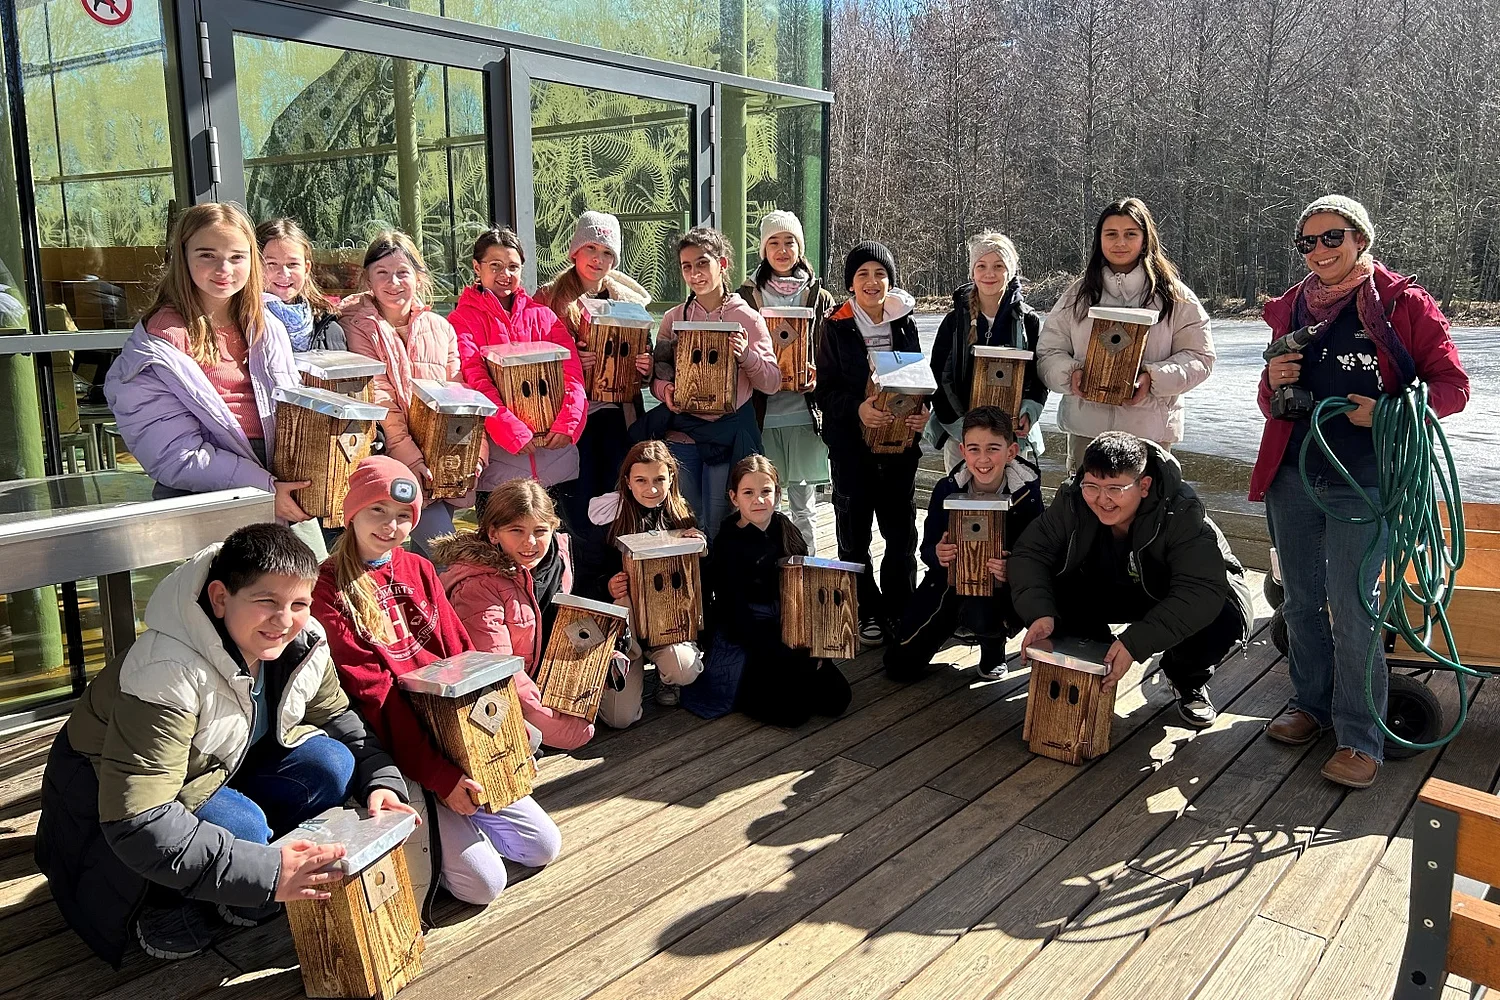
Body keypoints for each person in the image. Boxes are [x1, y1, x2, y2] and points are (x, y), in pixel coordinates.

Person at [35, 524, 412, 965]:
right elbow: (135, 818)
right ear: (219, 598)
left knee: (333, 762)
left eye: (299, 604)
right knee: (245, 827)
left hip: (217, 765)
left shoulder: (304, 641)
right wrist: (268, 871)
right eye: (266, 601)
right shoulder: (166, 671)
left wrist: (380, 779)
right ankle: (163, 901)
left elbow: (337, 716)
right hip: (111, 799)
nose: (285, 620)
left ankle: (235, 884)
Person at [1253, 195, 1470, 789]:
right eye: (1309, 241)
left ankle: (1359, 736)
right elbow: (1269, 402)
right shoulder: (1293, 308)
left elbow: (1452, 387)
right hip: (1294, 476)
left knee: (1355, 610)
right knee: (1298, 601)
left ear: (1360, 238)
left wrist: (1390, 411)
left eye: (1333, 237)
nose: (1320, 250)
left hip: (1367, 482)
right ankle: (1310, 705)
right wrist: (1273, 384)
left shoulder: (1402, 304)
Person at [312, 457, 562, 907]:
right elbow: (376, 698)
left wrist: (502, 734)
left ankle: (460, 814)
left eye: (404, 516)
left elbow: (465, 657)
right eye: (378, 512)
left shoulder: (420, 568)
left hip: (454, 735)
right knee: (483, 886)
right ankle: (421, 822)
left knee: (542, 846)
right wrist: (441, 777)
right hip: (397, 749)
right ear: (350, 513)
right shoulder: (327, 589)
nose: (391, 527)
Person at [103, 202, 325, 557]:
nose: (224, 269)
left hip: (280, 485)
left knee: (316, 593)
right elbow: (175, 455)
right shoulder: (159, 344)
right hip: (207, 496)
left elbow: (290, 409)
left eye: (237, 257)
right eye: (207, 255)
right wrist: (266, 487)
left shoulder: (266, 328)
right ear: (183, 256)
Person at [1010, 432, 1254, 729]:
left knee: (1223, 617)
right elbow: (1030, 553)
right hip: (1107, 586)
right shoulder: (1073, 499)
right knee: (1043, 585)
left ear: (1144, 485)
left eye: (1115, 488)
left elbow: (1201, 590)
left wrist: (1134, 644)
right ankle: (1091, 665)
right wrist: (1040, 614)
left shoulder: (1182, 511)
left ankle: (1186, 680)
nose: (1102, 500)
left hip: (1170, 592)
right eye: (1092, 486)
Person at [1035, 197, 1215, 472]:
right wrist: (1069, 375)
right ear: (1100, 240)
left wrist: (1153, 378)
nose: (1120, 242)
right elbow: (1049, 351)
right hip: (1087, 433)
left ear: (1146, 239)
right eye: (1111, 234)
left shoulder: (1174, 297)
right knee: (1086, 509)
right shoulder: (1078, 295)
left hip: (1150, 434)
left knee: (1147, 512)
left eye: (1130, 234)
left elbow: (1200, 357)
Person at [340, 231, 485, 558]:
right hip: (396, 461)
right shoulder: (359, 327)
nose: (394, 282)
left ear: (419, 277)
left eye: (402, 272)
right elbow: (380, 397)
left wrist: (478, 452)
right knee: (450, 557)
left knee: (427, 561)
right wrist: (411, 458)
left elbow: (460, 395)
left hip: (444, 464)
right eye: (383, 274)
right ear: (368, 279)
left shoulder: (440, 327)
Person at [814, 240, 928, 647]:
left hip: (899, 448)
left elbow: (917, 384)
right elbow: (823, 392)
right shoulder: (835, 325)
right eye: (862, 274)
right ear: (850, 284)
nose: (872, 281)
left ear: (890, 281)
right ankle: (864, 610)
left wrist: (922, 414)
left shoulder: (905, 322)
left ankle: (900, 607)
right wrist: (857, 410)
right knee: (854, 533)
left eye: (880, 273)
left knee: (900, 535)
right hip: (851, 448)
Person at [432, 478, 600, 751]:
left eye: (540, 530)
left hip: (548, 678)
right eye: (516, 530)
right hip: (501, 693)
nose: (530, 542)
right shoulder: (478, 585)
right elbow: (497, 667)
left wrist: (601, 660)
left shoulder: (560, 560)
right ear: (493, 533)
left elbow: (572, 623)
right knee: (576, 733)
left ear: (553, 528)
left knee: (619, 711)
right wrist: (546, 708)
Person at [884, 407, 1044, 683]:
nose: (983, 459)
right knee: (898, 666)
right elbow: (928, 546)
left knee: (980, 609)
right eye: (974, 449)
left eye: (993, 448)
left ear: (1011, 451)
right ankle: (953, 622)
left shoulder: (1027, 494)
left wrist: (1012, 567)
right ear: (962, 450)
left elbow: (1038, 553)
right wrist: (937, 553)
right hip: (949, 583)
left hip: (1001, 591)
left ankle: (992, 646)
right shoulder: (947, 489)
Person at [697, 455, 852, 725]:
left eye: (765, 491)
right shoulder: (727, 542)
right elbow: (734, 611)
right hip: (748, 635)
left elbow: (807, 589)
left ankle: (797, 676)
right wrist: (778, 650)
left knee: (838, 698)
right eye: (748, 493)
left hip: (790, 623)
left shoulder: (787, 530)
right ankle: (753, 691)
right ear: (734, 498)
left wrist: (816, 641)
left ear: (777, 494)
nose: (758, 500)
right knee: (793, 714)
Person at [646, 226, 780, 536]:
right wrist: (666, 391)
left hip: (728, 438)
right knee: (685, 524)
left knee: (722, 524)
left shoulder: (747, 318)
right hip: (683, 439)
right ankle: (697, 586)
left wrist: (746, 355)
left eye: (703, 263)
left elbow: (772, 382)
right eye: (687, 266)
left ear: (723, 264)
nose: (695, 273)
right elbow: (658, 373)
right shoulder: (673, 318)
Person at [448, 227, 587, 513]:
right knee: (501, 544)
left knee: (557, 543)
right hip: (501, 460)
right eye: (495, 265)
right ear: (477, 267)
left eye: (513, 266)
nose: (505, 274)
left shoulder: (544, 316)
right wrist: (509, 429)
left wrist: (568, 423)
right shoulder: (461, 319)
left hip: (555, 458)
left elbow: (571, 373)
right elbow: (475, 380)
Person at [534, 211, 653, 530]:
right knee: (574, 503)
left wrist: (644, 368)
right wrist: (569, 363)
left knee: (616, 501)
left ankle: (612, 573)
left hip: (616, 414)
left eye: (607, 253)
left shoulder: (628, 304)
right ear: (575, 251)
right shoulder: (548, 298)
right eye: (591, 249)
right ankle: (580, 575)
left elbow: (645, 356)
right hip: (568, 418)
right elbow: (532, 360)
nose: (598, 259)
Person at [576, 440, 706, 716]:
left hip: (667, 627)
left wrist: (699, 547)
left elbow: (698, 581)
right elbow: (584, 580)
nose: (652, 489)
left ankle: (666, 677)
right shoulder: (608, 518)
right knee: (619, 718)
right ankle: (616, 669)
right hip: (624, 631)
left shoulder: (681, 517)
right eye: (641, 480)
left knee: (684, 668)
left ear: (672, 478)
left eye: (660, 479)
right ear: (627, 481)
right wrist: (606, 585)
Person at [737, 211, 835, 550]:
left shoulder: (819, 296)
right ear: (763, 249)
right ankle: (770, 570)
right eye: (773, 242)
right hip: (763, 416)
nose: (782, 250)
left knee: (804, 505)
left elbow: (833, 352)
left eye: (789, 242)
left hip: (804, 416)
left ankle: (805, 569)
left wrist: (818, 376)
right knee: (766, 502)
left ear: (800, 247)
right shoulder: (746, 296)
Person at [929, 231, 1047, 465]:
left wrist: (1029, 411)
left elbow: (1039, 376)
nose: (989, 273)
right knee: (962, 500)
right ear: (972, 271)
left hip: (1013, 438)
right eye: (981, 266)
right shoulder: (955, 322)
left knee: (1014, 500)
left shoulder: (1028, 321)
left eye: (998, 266)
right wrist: (964, 427)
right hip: (961, 437)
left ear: (1010, 270)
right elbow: (938, 378)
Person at [256, 217, 346, 352]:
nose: (284, 273)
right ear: (255, 267)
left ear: (306, 269)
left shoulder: (329, 329)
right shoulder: (243, 324)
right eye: (272, 264)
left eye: (292, 264)